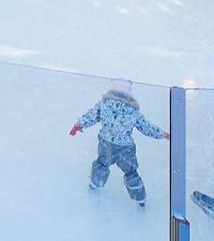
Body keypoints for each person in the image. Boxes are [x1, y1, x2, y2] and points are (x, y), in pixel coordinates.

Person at [69, 79, 168, 207]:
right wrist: (163, 134)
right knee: (131, 172)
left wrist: (78, 125)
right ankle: (140, 198)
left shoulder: (104, 104)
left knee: (102, 164)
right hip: (125, 149)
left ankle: (94, 184)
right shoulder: (133, 110)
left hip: (107, 144)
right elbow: (146, 127)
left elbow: (91, 115)